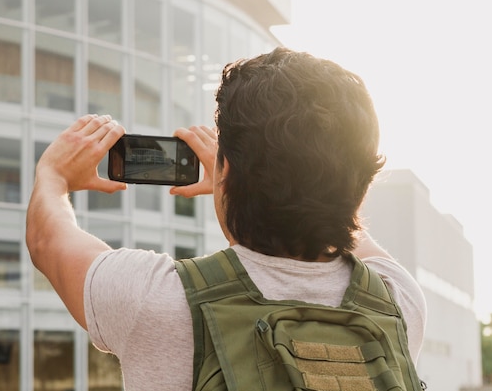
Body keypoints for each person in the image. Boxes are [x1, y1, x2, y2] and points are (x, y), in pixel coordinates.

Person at [26, 47, 426, 390]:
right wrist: (234, 181)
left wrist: (53, 174)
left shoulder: (157, 300)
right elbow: (347, 217)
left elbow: (47, 240)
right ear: (360, 181)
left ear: (227, 170)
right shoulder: (397, 303)